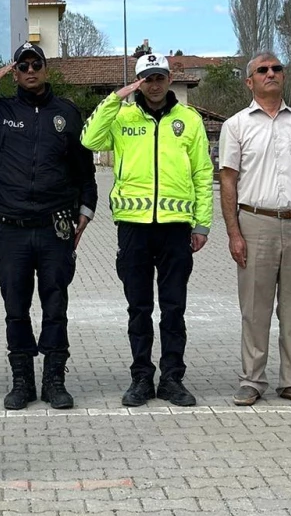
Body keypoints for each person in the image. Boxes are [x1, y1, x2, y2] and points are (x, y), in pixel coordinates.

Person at [0, 42, 97, 410]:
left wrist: (86, 209)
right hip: (10, 228)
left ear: (46, 68)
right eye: (22, 66)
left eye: (36, 64)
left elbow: (84, 169)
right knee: (16, 308)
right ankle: (21, 379)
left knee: (56, 306)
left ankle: (54, 379)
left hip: (56, 227)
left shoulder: (66, 113)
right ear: (16, 72)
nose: (30, 71)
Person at [81, 53, 213, 408]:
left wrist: (202, 223)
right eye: (147, 79)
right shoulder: (122, 118)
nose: (154, 85)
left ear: (169, 79)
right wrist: (114, 98)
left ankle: (172, 379)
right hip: (134, 229)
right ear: (139, 82)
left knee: (173, 308)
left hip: (175, 229)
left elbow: (202, 172)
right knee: (138, 308)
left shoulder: (189, 120)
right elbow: (89, 140)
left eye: (159, 77)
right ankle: (141, 377)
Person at [219, 51, 291, 407]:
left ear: (284, 76)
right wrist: (234, 233)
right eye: (262, 70)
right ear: (249, 81)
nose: (271, 73)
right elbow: (227, 182)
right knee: (255, 308)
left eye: (277, 68)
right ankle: (252, 380)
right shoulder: (236, 126)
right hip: (256, 223)